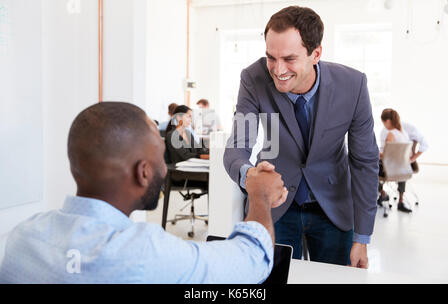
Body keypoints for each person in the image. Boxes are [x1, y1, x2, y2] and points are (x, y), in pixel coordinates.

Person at [0, 101, 288, 283]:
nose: (164, 168)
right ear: (143, 172)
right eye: (160, 158)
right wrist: (259, 196)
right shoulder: (146, 252)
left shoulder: (22, 238)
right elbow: (253, 260)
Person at [223, 6, 379, 268]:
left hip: (333, 208)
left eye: (289, 59)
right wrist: (251, 176)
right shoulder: (253, 78)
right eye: (271, 57)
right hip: (276, 208)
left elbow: (364, 162)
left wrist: (362, 238)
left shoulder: (353, 85)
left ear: (315, 53)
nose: (277, 69)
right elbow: (238, 147)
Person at [378, 108, 427, 213]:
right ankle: (400, 201)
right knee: (399, 165)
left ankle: (382, 193)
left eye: (383, 123)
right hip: (402, 170)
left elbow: (386, 155)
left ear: (387, 121)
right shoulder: (404, 134)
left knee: (366, 167)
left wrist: (373, 153)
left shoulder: (390, 134)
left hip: (388, 170)